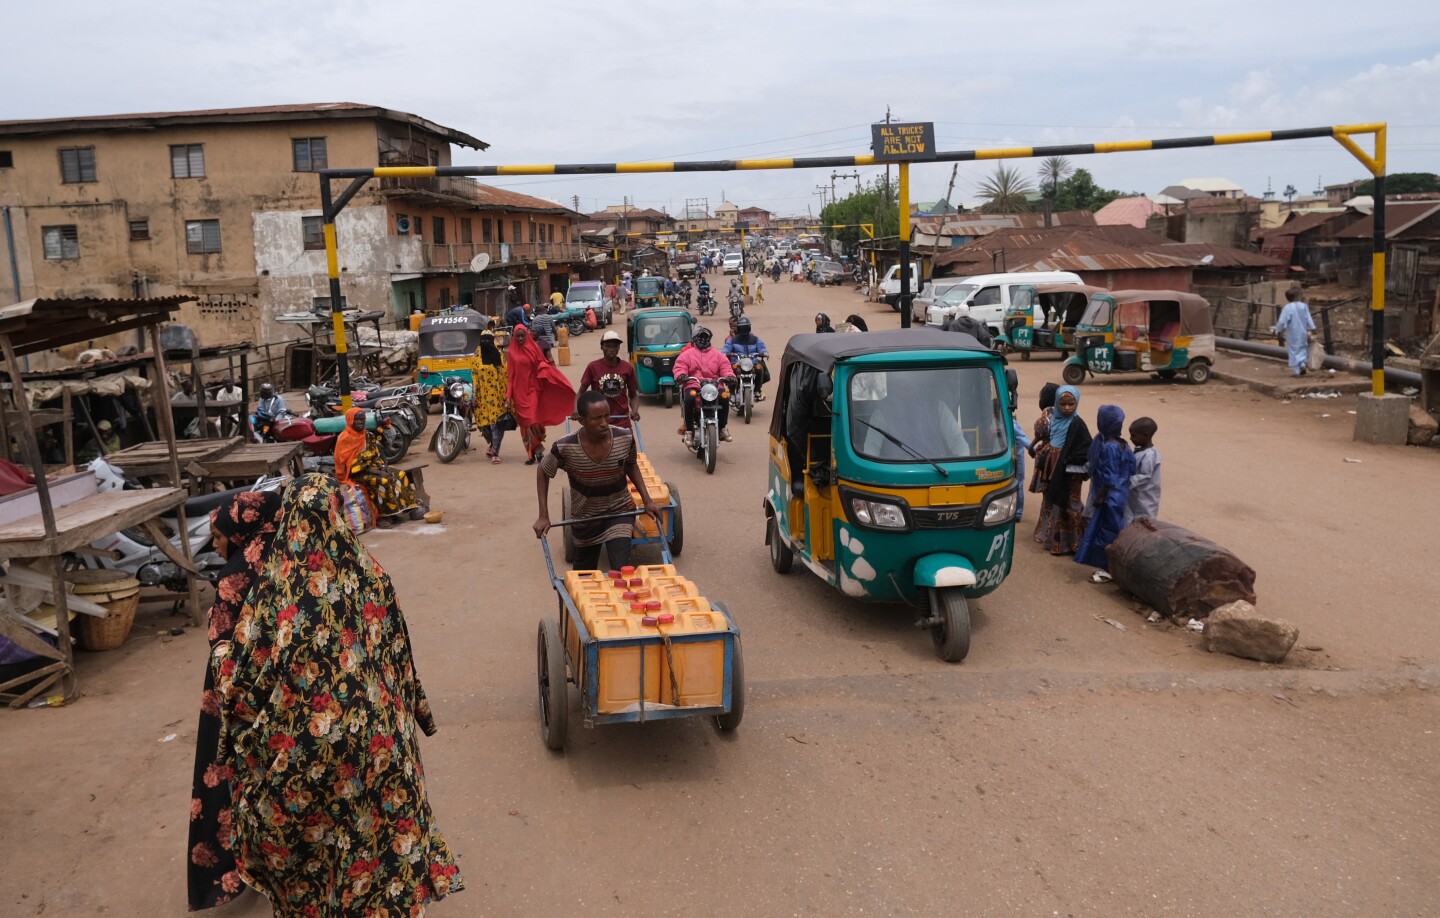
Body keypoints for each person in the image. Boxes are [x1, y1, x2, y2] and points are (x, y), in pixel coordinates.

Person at [212, 474, 463, 915]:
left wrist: (221, 655)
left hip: (306, 763)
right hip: (380, 751)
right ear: (336, 516)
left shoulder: (272, 596)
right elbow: (401, 658)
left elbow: (243, 687)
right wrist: (418, 713)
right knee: (380, 852)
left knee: (312, 867)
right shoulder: (375, 578)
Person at [188, 490, 283, 911]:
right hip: (281, 691)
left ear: (241, 529)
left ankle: (236, 871)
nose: (216, 544)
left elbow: (222, 646)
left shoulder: (234, 577)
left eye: (219, 535)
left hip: (237, 696)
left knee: (232, 780)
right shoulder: (286, 554)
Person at [534, 391, 660, 571]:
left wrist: (647, 501)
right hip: (585, 519)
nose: (604, 423)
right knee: (584, 577)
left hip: (619, 512)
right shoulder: (565, 447)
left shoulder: (624, 438)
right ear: (582, 420)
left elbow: (631, 465)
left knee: (621, 571)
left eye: (606, 416)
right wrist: (543, 515)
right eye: (596, 418)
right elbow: (543, 471)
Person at [333, 408, 425, 525]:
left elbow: (375, 455)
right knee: (383, 481)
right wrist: (378, 472)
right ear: (350, 420)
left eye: (363, 419)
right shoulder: (345, 439)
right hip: (355, 473)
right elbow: (351, 465)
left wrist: (382, 467)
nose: (360, 422)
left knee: (400, 475)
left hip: (372, 467)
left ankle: (402, 509)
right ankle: (383, 516)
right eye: (357, 419)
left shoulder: (368, 436)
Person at [1075, 405, 1135, 572]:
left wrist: (1100, 496)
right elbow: (1132, 467)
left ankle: (1106, 567)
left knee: (1105, 531)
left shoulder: (1108, 447)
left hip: (1109, 495)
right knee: (1112, 527)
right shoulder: (1124, 444)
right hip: (1121, 493)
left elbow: (1108, 476)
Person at [1034, 385, 1092, 555]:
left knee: (1071, 505)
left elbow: (1085, 448)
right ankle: (1057, 543)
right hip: (1054, 470)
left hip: (1071, 473)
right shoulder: (1054, 421)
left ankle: (1075, 543)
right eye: (1063, 404)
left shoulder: (1078, 424)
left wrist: (1067, 461)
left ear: (1077, 403)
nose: (1067, 408)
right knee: (1055, 503)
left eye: (1071, 404)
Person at [858, 372, 969, 460]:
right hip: (896, 475)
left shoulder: (938, 407)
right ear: (894, 386)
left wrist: (962, 466)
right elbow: (871, 449)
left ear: (918, 385)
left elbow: (956, 439)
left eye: (910, 384)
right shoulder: (881, 412)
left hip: (937, 473)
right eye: (901, 384)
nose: (906, 389)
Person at [506, 324, 576, 464]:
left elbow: (542, 363)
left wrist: (548, 371)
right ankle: (532, 453)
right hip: (519, 393)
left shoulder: (534, 349)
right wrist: (508, 396)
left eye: (522, 335)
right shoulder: (511, 353)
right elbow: (511, 377)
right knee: (525, 424)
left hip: (533, 389)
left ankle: (536, 447)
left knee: (534, 420)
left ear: (527, 335)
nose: (520, 338)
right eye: (517, 336)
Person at [672, 326, 736, 444]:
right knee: (689, 399)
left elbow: (726, 367)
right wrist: (681, 375)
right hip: (694, 384)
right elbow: (679, 367)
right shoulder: (687, 354)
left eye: (706, 337)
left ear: (710, 339)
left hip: (714, 386)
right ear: (695, 339)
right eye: (700, 337)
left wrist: (729, 376)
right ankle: (689, 432)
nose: (703, 340)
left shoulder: (718, 355)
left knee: (724, 398)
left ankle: (723, 427)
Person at [580, 330, 640, 428]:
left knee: (627, 442)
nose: (611, 349)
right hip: (599, 421)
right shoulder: (593, 367)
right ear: (602, 347)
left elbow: (633, 395)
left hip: (622, 420)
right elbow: (581, 392)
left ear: (619, 348)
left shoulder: (627, 368)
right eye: (608, 346)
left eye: (615, 346)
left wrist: (634, 411)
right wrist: (577, 410)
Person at [474, 330, 509, 464]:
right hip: (481, 397)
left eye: (488, 340)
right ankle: (491, 444)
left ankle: (495, 451)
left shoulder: (498, 355)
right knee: (484, 426)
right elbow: (474, 376)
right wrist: (473, 396)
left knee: (496, 425)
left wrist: (507, 396)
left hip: (497, 397)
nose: (485, 343)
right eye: (483, 340)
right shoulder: (476, 356)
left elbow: (504, 376)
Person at [1123, 417, 1161, 526]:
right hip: (1135, 496)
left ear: (1146, 436)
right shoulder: (1140, 451)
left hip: (1144, 498)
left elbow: (1145, 476)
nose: (1130, 438)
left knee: (1142, 522)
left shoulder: (1149, 455)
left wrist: (1125, 481)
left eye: (1134, 436)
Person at [721, 317, 769, 401]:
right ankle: (732, 393)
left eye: (745, 327)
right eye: (742, 327)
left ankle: (757, 390)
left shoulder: (755, 339)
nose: (744, 329)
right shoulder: (732, 340)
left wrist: (764, 352)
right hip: (737, 362)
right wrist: (725, 353)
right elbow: (726, 348)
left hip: (752, 362)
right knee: (731, 372)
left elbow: (761, 347)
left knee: (759, 369)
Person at [1272, 287, 1316, 376]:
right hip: (1303, 331)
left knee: (1293, 350)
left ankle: (1297, 371)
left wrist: (1277, 330)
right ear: (1296, 296)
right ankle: (1303, 364)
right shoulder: (1304, 306)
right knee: (1303, 348)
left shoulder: (1287, 308)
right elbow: (1308, 318)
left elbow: (1282, 321)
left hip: (1292, 332)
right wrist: (1312, 328)